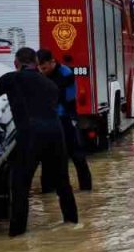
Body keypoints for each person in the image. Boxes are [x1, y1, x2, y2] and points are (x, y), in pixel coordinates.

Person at [0, 47, 78, 237]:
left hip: (30, 136)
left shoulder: (10, 79)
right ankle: (73, 226)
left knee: (20, 186)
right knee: (63, 185)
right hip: (56, 135)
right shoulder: (49, 84)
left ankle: (18, 235)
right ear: (36, 64)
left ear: (16, 63)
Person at [36, 48, 92, 192]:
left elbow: (69, 100)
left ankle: (86, 189)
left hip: (66, 117)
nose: (42, 71)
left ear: (52, 62)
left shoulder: (65, 73)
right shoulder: (38, 74)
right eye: (39, 68)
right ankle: (48, 192)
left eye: (44, 68)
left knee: (77, 155)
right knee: (48, 157)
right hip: (47, 119)